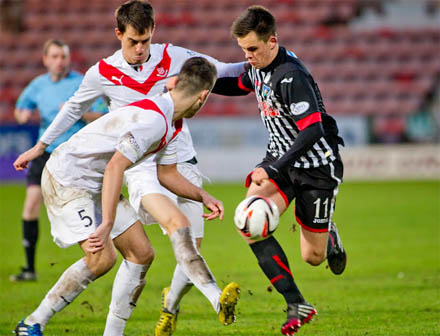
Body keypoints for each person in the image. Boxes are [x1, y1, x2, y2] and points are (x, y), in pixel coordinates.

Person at [12, 2, 246, 335]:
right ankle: (32, 323)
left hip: (102, 175)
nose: (139, 49)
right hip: (69, 177)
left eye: (145, 41)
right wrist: (106, 222)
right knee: (102, 258)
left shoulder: (169, 120)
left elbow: (167, 175)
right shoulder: (147, 114)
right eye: (132, 41)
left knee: (141, 253)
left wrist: (203, 195)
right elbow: (112, 166)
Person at [212, 6, 347, 335]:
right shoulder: (257, 66)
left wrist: (272, 167)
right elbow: (241, 84)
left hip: (316, 168)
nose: (248, 56)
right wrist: (204, 85)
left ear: (272, 41)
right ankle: (296, 303)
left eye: (253, 49)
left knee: (312, 258)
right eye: (243, 50)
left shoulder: (291, 75)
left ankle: (328, 235)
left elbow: (312, 130)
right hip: (281, 163)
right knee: (249, 219)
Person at [10, 38, 107, 282]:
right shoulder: (38, 85)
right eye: (54, 56)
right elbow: (21, 108)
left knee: (91, 208)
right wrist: (22, 114)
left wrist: (82, 113)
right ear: (45, 60)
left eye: (62, 56)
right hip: (45, 154)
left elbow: (103, 116)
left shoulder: (81, 83)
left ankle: (103, 258)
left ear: (68, 59)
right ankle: (29, 268)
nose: (59, 61)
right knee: (31, 204)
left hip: (74, 156)